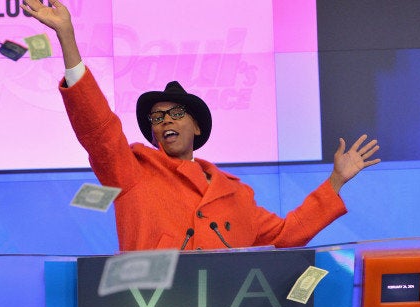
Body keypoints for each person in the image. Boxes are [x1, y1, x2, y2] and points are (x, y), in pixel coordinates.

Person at [22, 0, 381, 251]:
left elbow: (286, 235)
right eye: (157, 118)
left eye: (176, 114)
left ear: (197, 127)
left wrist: (336, 180)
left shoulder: (237, 196)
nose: (165, 122)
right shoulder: (131, 173)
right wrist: (66, 36)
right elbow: (98, 128)